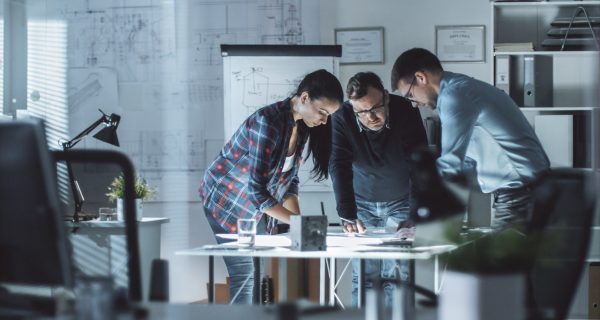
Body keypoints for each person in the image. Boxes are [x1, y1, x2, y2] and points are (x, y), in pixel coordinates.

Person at [200, 69, 343, 304]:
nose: (324, 120)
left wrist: (300, 219)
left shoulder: (302, 126)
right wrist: (297, 223)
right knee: (245, 273)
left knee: (257, 273)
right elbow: (256, 191)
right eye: (323, 112)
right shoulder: (267, 122)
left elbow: (289, 181)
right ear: (305, 98)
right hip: (227, 200)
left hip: (256, 206)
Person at [391, 48, 550, 229]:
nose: (414, 104)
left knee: (506, 257)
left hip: (519, 190)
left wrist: (420, 215)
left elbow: (450, 163)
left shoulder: (454, 95)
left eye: (410, 95)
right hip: (524, 188)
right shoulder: (460, 88)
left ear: (421, 77)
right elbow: (465, 161)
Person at [329, 72, 427, 306]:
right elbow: (338, 164)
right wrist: (347, 212)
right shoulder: (342, 115)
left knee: (399, 276)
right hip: (362, 204)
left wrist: (416, 212)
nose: (370, 117)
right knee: (363, 277)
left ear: (386, 96)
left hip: (401, 201)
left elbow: (419, 162)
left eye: (375, 108)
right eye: (361, 112)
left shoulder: (405, 109)